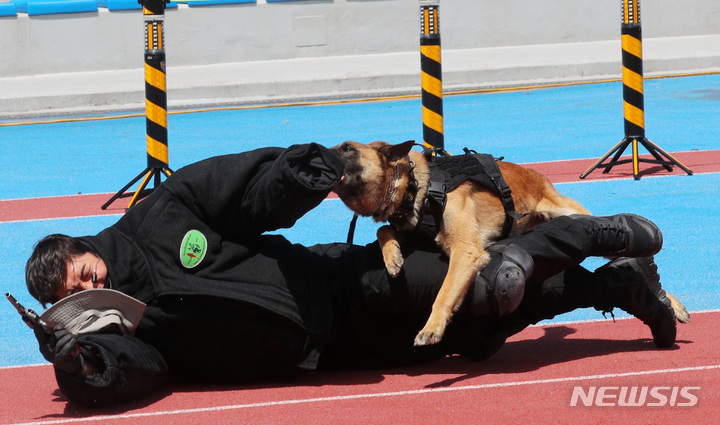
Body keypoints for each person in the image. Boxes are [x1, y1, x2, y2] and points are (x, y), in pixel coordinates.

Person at [24, 143, 680, 407]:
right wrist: (84, 361)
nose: (88, 290)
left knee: (477, 290)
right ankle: (618, 286)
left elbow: (239, 190)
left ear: (86, 247)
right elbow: (142, 373)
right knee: (482, 334)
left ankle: (586, 234)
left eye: (85, 274)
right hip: (337, 352)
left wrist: (297, 173)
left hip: (341, 281)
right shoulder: (121, 332)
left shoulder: (156, 217)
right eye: (73, 297)